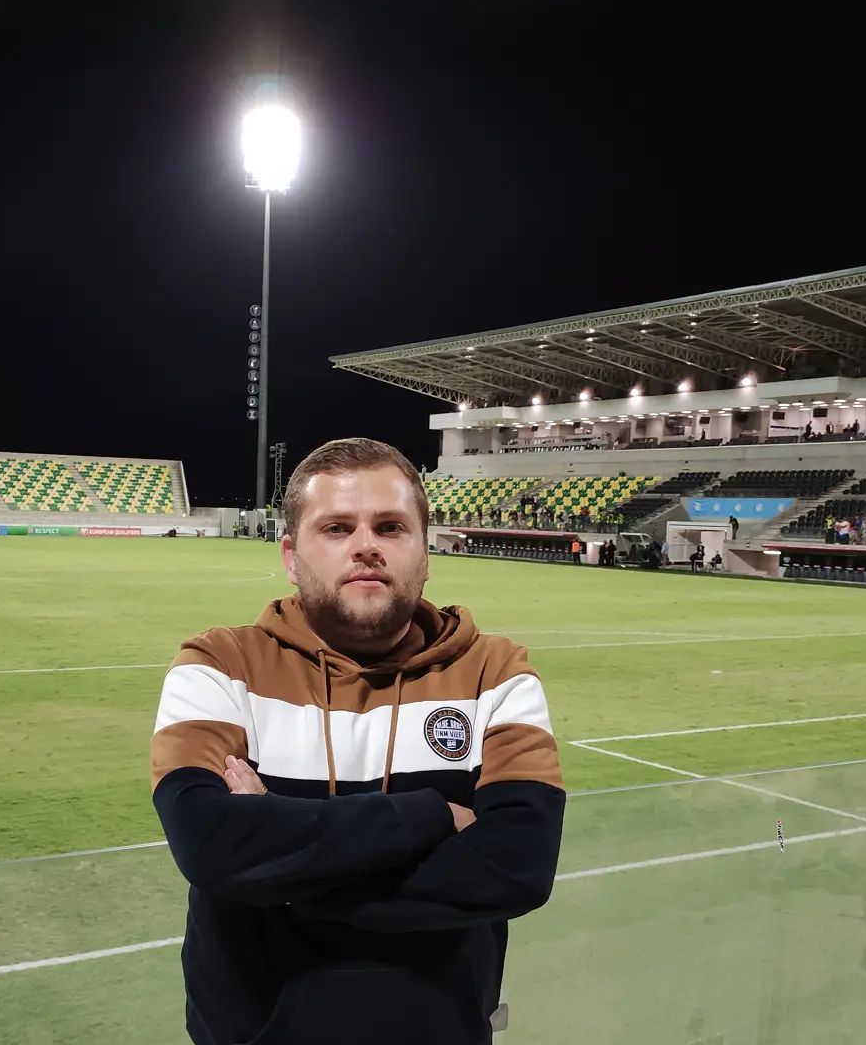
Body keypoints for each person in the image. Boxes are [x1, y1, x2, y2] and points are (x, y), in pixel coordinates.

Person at [149, 438, 564, 1045]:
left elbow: (516, 866)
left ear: (425, 552)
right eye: (337, 528)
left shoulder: (494, 673)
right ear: (292, 556)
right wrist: (431, 816)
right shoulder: (218, 665)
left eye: (391, 527)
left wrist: (279, 867)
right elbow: (210, 844)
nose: (366, 546)